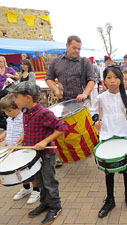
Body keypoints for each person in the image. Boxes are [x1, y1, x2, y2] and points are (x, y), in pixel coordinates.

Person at [7, 81, 68, 225]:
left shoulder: (44, 113)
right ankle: (45, 203)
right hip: (33, 155)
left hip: (46, 155)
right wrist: (23, 134)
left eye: (16, 97)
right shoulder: (25, 111)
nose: (14, 100)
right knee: (39, 181)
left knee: (49, 181)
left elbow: (62, 127)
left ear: (28, 98)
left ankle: (55, 206)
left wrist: (45, 141)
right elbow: (30, 127)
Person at [90, 66, 127, 218]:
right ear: (104, 80)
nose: (112, 81)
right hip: (107, 135)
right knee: (109, 171)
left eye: (115, 77)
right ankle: (110, 199)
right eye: (109, 77)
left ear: (120, 79)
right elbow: (93, 112)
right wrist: (96, 121)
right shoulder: (101, 97)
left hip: (123, 135)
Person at [0, 94, 40, 204]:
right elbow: (10, 128)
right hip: (13, 148)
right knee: (19, 171)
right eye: (5, 112)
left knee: (29, 171)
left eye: (9, 111)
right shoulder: (9, 119)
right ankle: (26, 188)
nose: (7, 114)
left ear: (18, 107)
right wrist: (5, 133)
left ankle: (36, 190)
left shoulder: (23, 117)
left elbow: (27, 129)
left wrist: (23, 134)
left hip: (24, 149)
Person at [45, 35, 96, 102]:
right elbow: (49, 78)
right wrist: (56, 90)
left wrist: (84, 94)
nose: (77, 51)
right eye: (74, 48)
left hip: (81, 102)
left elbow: (92, 80)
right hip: (63, 103)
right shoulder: (56, 61)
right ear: (67, 45)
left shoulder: (86, 62)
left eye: (79, 49)